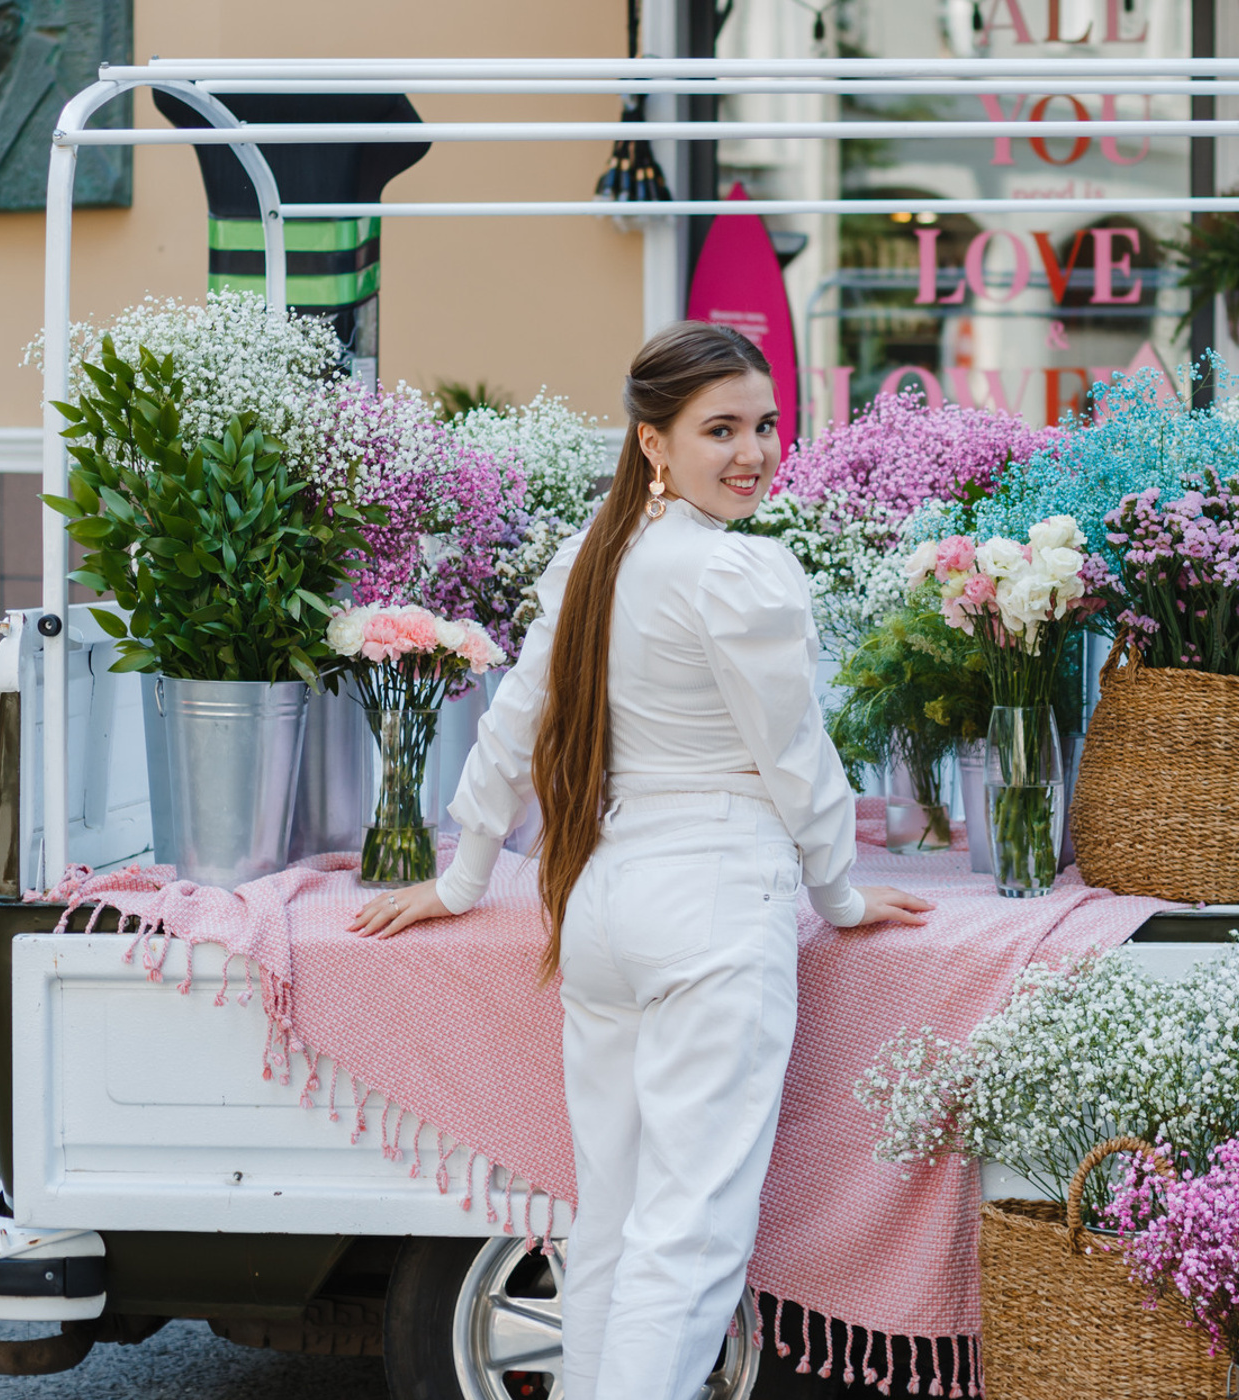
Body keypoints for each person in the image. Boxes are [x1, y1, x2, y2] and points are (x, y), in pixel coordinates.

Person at [349, 322, 931, 1400]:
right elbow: (795, 757)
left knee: (612, 1225)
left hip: (607, 908)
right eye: (720, 429)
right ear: (654, 442)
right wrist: (841, 893)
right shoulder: (740, 572)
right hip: (708, 905)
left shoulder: (595, 552)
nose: (753, 451)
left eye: (763, 424)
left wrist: (467, 874)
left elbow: (516, 720)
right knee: (690, 1237)